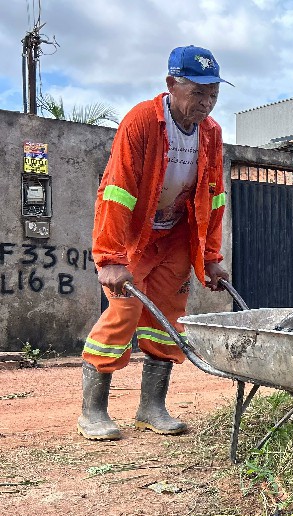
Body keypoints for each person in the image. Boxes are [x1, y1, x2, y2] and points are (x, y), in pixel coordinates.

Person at [78, 45, 232, 441]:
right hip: (137, 238)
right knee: (124, 313)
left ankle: (151, 408)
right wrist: (110, 257)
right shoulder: (143, 121)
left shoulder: (211, 133)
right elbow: (118, 190)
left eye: (213, 93)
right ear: (171, 84)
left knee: (168, 318)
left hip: (178, 237)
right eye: (198, 92)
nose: (206, 102)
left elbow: (213, 196)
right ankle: (93, 412)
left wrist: (211, 257)